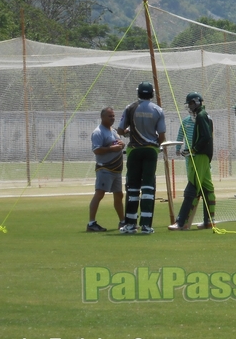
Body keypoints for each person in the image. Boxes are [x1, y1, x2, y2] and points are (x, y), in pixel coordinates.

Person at [117, 81, 166, 235]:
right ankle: (146, 226)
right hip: (151, 150)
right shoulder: (158, 110)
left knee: (132, 187)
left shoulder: (130, 108)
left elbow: (120, 130)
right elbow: (162, 136)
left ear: (138, 93)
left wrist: (129, 133)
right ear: (151, 94)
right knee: (148, 187)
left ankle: (130, 225)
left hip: (134, 150)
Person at [168, 92, 216, 231]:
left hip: (200, 155)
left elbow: (206, 136)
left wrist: (193, 150)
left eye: (190, 103)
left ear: (197, 102)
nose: (189, 107)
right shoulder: (205, 115)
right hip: (205, 156)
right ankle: (209, 221)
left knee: (192, 187)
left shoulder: (201, 116)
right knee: (207, 187)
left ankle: (182, 222)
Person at [87, 107, 125, 232]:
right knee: (99, 194)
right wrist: (111, 149)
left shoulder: (113, 131)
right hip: (105, 168)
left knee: (119, 195)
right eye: (109, 116)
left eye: (113, 116)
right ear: (102, 117)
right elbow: (96, 150)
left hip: (116, 170)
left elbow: (117, 143)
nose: (112, 118)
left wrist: (121, 144)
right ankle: (92, 223)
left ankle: (122, 221)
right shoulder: (98, 132)